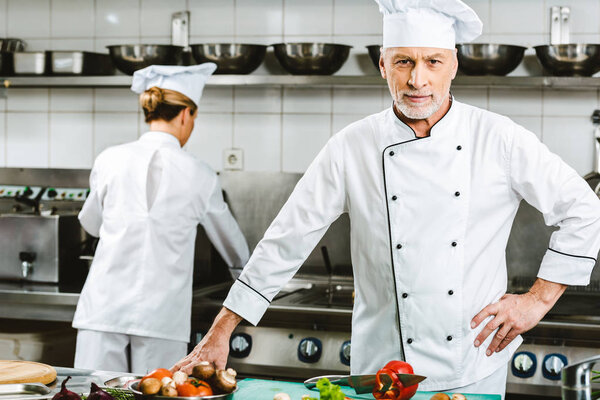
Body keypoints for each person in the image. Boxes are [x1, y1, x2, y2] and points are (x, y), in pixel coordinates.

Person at [172, 1, 600, 397]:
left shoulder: (498, 138)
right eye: (404, 62)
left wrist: (538, 300)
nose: (418, 79)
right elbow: (287, 237)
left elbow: (584, 209)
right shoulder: (352, 145)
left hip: (472, 360)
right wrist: (223, 326)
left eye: (433, 61)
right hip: (378, 367)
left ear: (454, 65)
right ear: (383, 65)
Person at [72, 63, 250, 374]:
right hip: (161, 317)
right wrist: (246, 282)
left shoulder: (109, 159)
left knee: (93, 395)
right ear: (185, 115)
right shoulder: (200, 173)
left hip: (102, 309)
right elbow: (234, 249)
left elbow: (90, 224)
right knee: (160, 393)